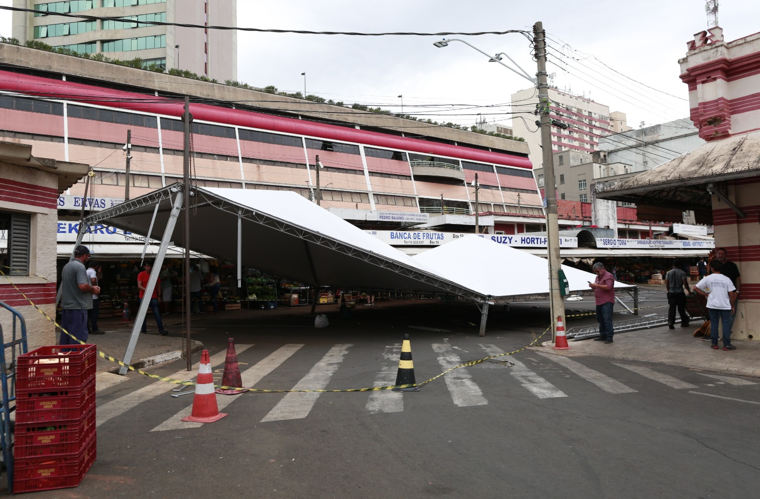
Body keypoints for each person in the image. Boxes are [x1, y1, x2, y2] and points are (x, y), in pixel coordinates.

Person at [59, 245, 100, 345]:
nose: (88, 258)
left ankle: (66, 357)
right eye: (88, 256)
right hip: (78, 308)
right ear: (85, 255)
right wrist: (93, 289)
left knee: (66, 337)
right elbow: (82, 286)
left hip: (67, 307)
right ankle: (76, 358)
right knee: (78, 337)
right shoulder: (80, 266)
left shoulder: (67, 266)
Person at [694, 260, 737, 350]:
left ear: (712, 268)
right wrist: (732, 305)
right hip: (725, 305)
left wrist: (705, 294)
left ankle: (714, 344)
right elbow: (731, 294)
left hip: (712, 305)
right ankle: (726, 344)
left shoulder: (708, 278)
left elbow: (695, 288)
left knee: (714, 324)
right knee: (726, 324)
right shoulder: (726, 279)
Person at [714, 248, 741, 337]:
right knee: (715, 317)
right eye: (719, 253)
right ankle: (715, 336)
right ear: (716, 254)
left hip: (731, 295)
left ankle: (726, 336)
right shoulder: (714, 266)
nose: (721, 255)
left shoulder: (732, 265)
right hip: (717, 296)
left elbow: (737, 278)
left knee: (730, 316)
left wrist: (737, 291)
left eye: (723, 254)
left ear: (726, 255)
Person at [137, 261, 167, 336]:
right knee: (143, 314)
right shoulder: (141, 274)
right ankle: (143, 330)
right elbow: (139, 285)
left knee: (157, 314)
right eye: (147, 266)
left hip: (153, 296)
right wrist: (146, 289)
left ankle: (161, 330)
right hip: (144, 296)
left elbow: (158, 286)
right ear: (144, 267)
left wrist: (159, 296)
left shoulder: (155, 275)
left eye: (149, 266)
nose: (149, 268)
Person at [588, 262, 615, 344]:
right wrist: (593, 287)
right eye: (596, 272)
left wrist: (597, 285)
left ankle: (609, 337)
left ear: (602, 269)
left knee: (607, 320)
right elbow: (597, 288)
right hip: (599, 301)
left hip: (607, 301)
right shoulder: (598, 277)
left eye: (597, 271)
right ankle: (602, 335)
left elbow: (608, 287)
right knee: (600, 319)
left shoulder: (608, 276)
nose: (597, 273)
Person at [665, 259, 690, 329]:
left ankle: (670, 322)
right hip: (680, 292)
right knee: (681, 308)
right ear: (680, 265)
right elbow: (685, 283)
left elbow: (667, 283)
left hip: (671, 292)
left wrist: (668, 290)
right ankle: (684, 322)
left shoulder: (668, 273)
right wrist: (689, 291)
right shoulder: (682, 273)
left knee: (672, 308)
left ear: (673, 265)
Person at [87, 262, 104, 334]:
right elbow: (93, 280)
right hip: (93, 296)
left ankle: (87, 328)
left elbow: (97, 279)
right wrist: (95, 288)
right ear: (97, 266)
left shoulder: (86, 271)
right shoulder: (92, 271)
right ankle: (94, 328)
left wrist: (99, 272)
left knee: (87, 313)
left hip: (87, 296)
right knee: (94, 313)